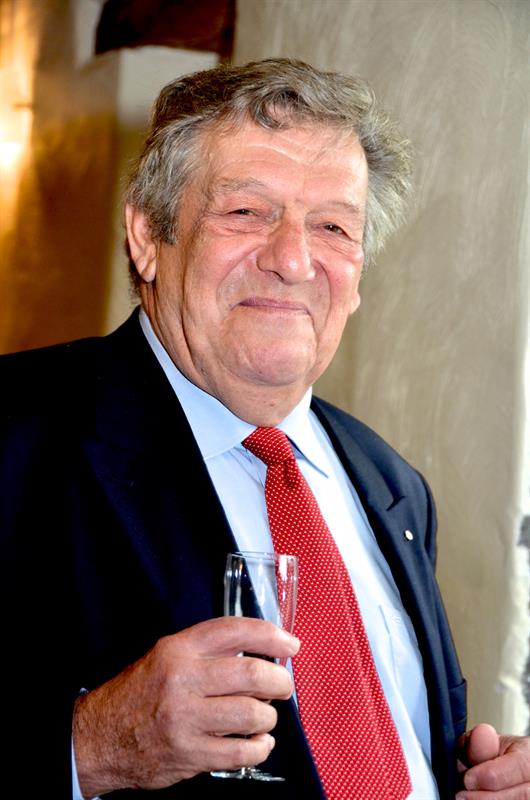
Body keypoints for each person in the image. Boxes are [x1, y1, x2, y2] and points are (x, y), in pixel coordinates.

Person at [0, 58, 528, 800]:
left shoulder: (394, 485)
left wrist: (475, 780)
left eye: (333, 227)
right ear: (148, 233)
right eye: (247, 212)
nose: (293, 260)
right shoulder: (15, 436)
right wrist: (93, 745)